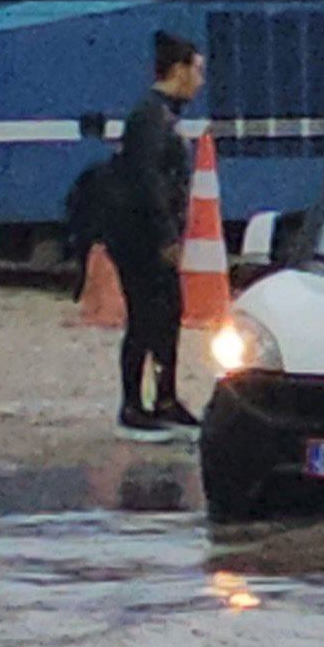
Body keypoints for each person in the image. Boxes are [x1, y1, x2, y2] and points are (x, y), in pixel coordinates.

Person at [107, 32, 205, 438]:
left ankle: (166, 398)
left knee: (167, 316)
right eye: (197, 70)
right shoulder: (150, 117)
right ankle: (132, 406)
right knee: (145, 318)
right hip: (140, 240)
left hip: (153, 236)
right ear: (178, 69)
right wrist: (166, 236)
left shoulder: (163, 115)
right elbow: (148, 181)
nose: (200, 81)